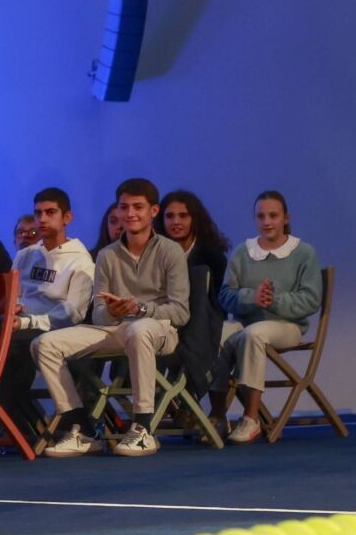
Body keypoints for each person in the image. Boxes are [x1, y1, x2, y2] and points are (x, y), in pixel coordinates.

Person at [35, 178, 190, 457]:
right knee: (44, 344)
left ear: (154, 211)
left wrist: (140, 309)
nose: (130, 213)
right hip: (118, 328)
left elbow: (180, 312)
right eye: (124, 207)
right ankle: (82, 429)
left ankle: (143, 429)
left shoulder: (171, 251)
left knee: (140, 330)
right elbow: (99, 315)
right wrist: (112, 311)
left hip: (159, 330)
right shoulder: (107, 255)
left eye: (138, 207)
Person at [214, 191, 322, 444]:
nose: (267, 221)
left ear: (286, 218)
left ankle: (251, 418)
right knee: (218, 333)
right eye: (261, 216)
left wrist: (274, 300)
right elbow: (225, 296)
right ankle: (218, 415)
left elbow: (311, 300)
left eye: (273, 215)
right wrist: (252, 297)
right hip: (246, 322)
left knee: (255, 334)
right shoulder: (243, 251)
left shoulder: (303, 252)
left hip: (287, 325)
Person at [0, 187, 93, 441]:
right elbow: (13, 297)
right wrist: (13, 308)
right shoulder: (25, 255)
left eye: (50, 212)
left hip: (54, 332)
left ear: (67, 218)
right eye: (38, 213)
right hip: (17, 326)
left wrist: (26, 322)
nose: (42, 219)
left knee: (6, 349)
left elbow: (73, 313)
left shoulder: (81, 260)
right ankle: (3, 421)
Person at [157, 188, 231, 424]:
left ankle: (214, 413)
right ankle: (176, 405)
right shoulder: (155, 253)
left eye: (183, 215)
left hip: (206, 321)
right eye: (170, 216)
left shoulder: (213, 256)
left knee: (212, 341)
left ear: (195, 219)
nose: (176, 222)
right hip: (166, 321)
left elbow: (218, 303)